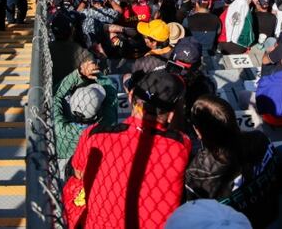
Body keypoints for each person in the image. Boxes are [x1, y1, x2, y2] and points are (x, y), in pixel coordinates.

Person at [63, 70, 191, 229]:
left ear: (130, 97)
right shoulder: (181, 145)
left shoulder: (94, 134)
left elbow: (79, 174)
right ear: (171, 115)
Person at [184, 94, 279, 227]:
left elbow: (195, 213)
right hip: (269, 214)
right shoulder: (260, 139)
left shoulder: (196, 172)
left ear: (198, 132)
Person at [53, 59, 117, 163]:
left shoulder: (61, 129)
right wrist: (97, 74)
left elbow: (56, 96)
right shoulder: (107, 124)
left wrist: (79, 73)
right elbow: (111, 94)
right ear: (98, 111)